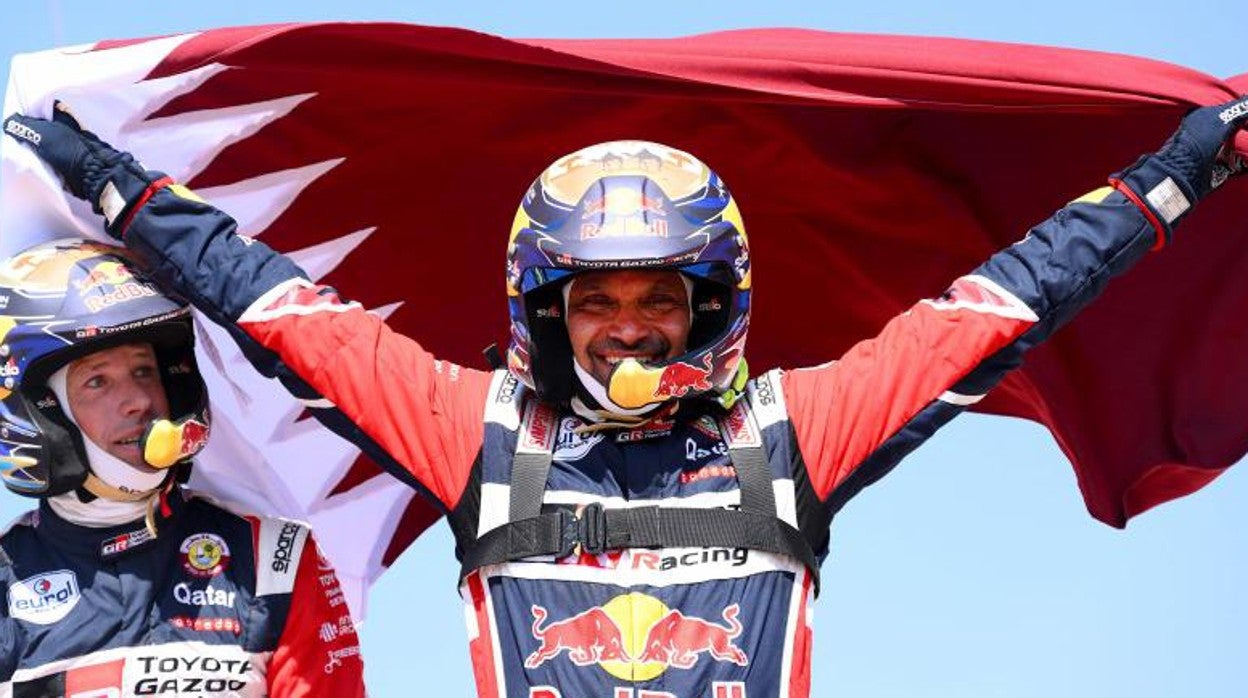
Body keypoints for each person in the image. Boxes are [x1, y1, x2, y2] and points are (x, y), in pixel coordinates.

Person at [4, 96, 1246, 697]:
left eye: (661, 297)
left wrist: (1187, 166)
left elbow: (1012, 296)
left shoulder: (794, 428)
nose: (630, 327)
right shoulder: (470, 428)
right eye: (595, 301)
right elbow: (266, 300)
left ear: (716, 302)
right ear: (543, 310)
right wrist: (105, 176)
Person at [0, 239, 365, 696]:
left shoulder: (276, 557)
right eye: (97, 381)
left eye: (144, 371)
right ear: (40, 411)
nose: (138, 402)